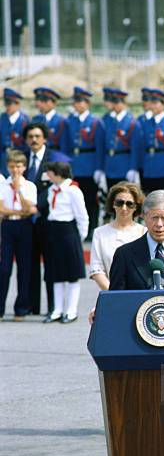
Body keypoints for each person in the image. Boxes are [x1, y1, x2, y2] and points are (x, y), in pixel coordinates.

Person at [43, 161, 89, 324]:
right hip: (54, 231)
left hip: (68, 232)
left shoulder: (73, 191)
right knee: (56, 274)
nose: (47, 175)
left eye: (49, 173)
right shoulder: (52, 190)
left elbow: (82, 216)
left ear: (57, 174)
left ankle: (71, 310)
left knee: (71, 275)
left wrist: (79, 237)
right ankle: (57, 310)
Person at [23, 122, 61, 317]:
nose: (34, 140)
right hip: (27, 220)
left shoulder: (53, 160)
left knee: (51, 265)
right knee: (30, 264)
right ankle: (32, 305)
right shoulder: (23, 159)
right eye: (30, 137)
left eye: (38, 136)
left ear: (45, 138)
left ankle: (54, 306)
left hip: (48, 219)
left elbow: (55, 187)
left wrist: (38, 207)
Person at [0, 151, 37, 320]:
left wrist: (18, 191)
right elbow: (2, 209)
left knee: (24, 267)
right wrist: (18, 211)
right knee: (4, 268)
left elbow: (29, 209)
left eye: (19, 166)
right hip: (8, 225)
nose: (15, 170)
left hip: (24, 227)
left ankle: (21, 308)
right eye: (13, 166)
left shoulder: (29, 186)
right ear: (8, 167)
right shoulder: (2, 185)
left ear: (24, 167)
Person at [90, 182, 146, 291]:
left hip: (140, 296)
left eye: (129, 204)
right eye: (119, 203)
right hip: (110, 294)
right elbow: (97, 271)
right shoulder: (99, 233)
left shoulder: (144, 232)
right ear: (113, 204)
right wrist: (115, 294)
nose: (124, 208)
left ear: (136, 207)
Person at [66, 86, 105, 238]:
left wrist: (99, 168)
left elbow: (100, 147)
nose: (78, 104)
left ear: (87, 103)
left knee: (90, 200)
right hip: (74, 166)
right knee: (73, 199)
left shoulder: (95, 122)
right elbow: (66, 145)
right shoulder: (70, 121)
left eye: (82, 101)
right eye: (76, 101)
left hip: (89, 166)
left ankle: (92, 228)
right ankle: (77, 228)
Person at [136, 89, 164, 194]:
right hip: (148, 169)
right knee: (148, 203)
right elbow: (141, 148)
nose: (153, 106)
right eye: (151, 103)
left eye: (156, 103)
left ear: (163, 105)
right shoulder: (145, 123)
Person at [102, 88, 140, 214]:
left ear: (124, 103)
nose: (116, 105)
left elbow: (135, 147)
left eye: (119, 102)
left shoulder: (131, 122)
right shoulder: (107, 120)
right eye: (114, 102)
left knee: (125, 197)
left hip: (124, 162)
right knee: (112, 196)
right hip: (110, 163)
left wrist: (133, 167)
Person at [0, 88, 30, 176]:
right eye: (6, 104)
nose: (7, 107)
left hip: (19, 158)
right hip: (3, 159)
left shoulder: (25, 120)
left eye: (9, 104)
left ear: (17, 104)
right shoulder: (2, 118)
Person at [32, 87, 69, 154]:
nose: (40, 104)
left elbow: (64, 145)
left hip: (55, 156)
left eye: (44, 101)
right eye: (38, 100)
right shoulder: (35, 120)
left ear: (53, 103)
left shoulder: (61, 121)